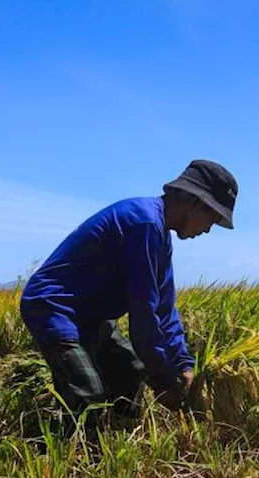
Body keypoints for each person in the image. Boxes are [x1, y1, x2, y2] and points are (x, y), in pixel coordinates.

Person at [20, 159, 237, 437]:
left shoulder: (159, 235)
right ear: (195, 203)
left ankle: (119, 436)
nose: (209, 229)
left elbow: (165, 308)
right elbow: (144, 314)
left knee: (131, 371)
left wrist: (182, 365)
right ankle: (58, 454)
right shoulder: (142, 223)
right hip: (55, 307)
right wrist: (163, 380)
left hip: (89, 314)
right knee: (87, 394)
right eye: (213, 219)